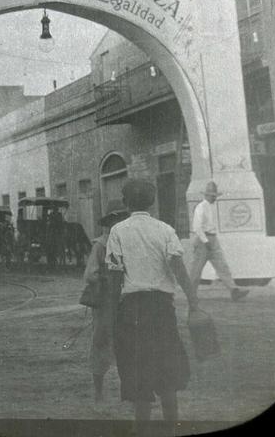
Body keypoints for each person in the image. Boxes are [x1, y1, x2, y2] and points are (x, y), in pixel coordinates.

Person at [106, 179, 201, 427]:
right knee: (167, 371)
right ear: (152, 202)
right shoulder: (165, 230)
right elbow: (179, 269)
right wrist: (194, 302)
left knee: (138, 375)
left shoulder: (117, 231)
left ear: (126, 203)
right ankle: (171, 429)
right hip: (162, 309)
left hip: (132, 311)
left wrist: (111, 315)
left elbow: (115, 277)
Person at [83, 199, 129, 404]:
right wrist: (108, 278)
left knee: (127, 344)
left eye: (122, 218)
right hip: (105, 305)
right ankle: (99, 392)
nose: (118, 223)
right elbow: (90, 274)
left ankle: (128, 391)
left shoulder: (128, 242)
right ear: (109, 222)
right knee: (101, 343)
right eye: (115, 219)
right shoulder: (100, 245)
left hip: (126, 301)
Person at [189, 181, 249, 302]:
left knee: (222, 266)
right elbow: (197, 227)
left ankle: (233, 290)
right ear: (206, 195)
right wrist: (205, 241)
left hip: (212, 238)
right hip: (202, 240)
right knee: (196, 270)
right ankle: (191, 294)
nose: (214, 197)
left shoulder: (211, 207)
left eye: (215, 195)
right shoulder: (200, 207)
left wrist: (211, 240)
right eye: (212, 195)